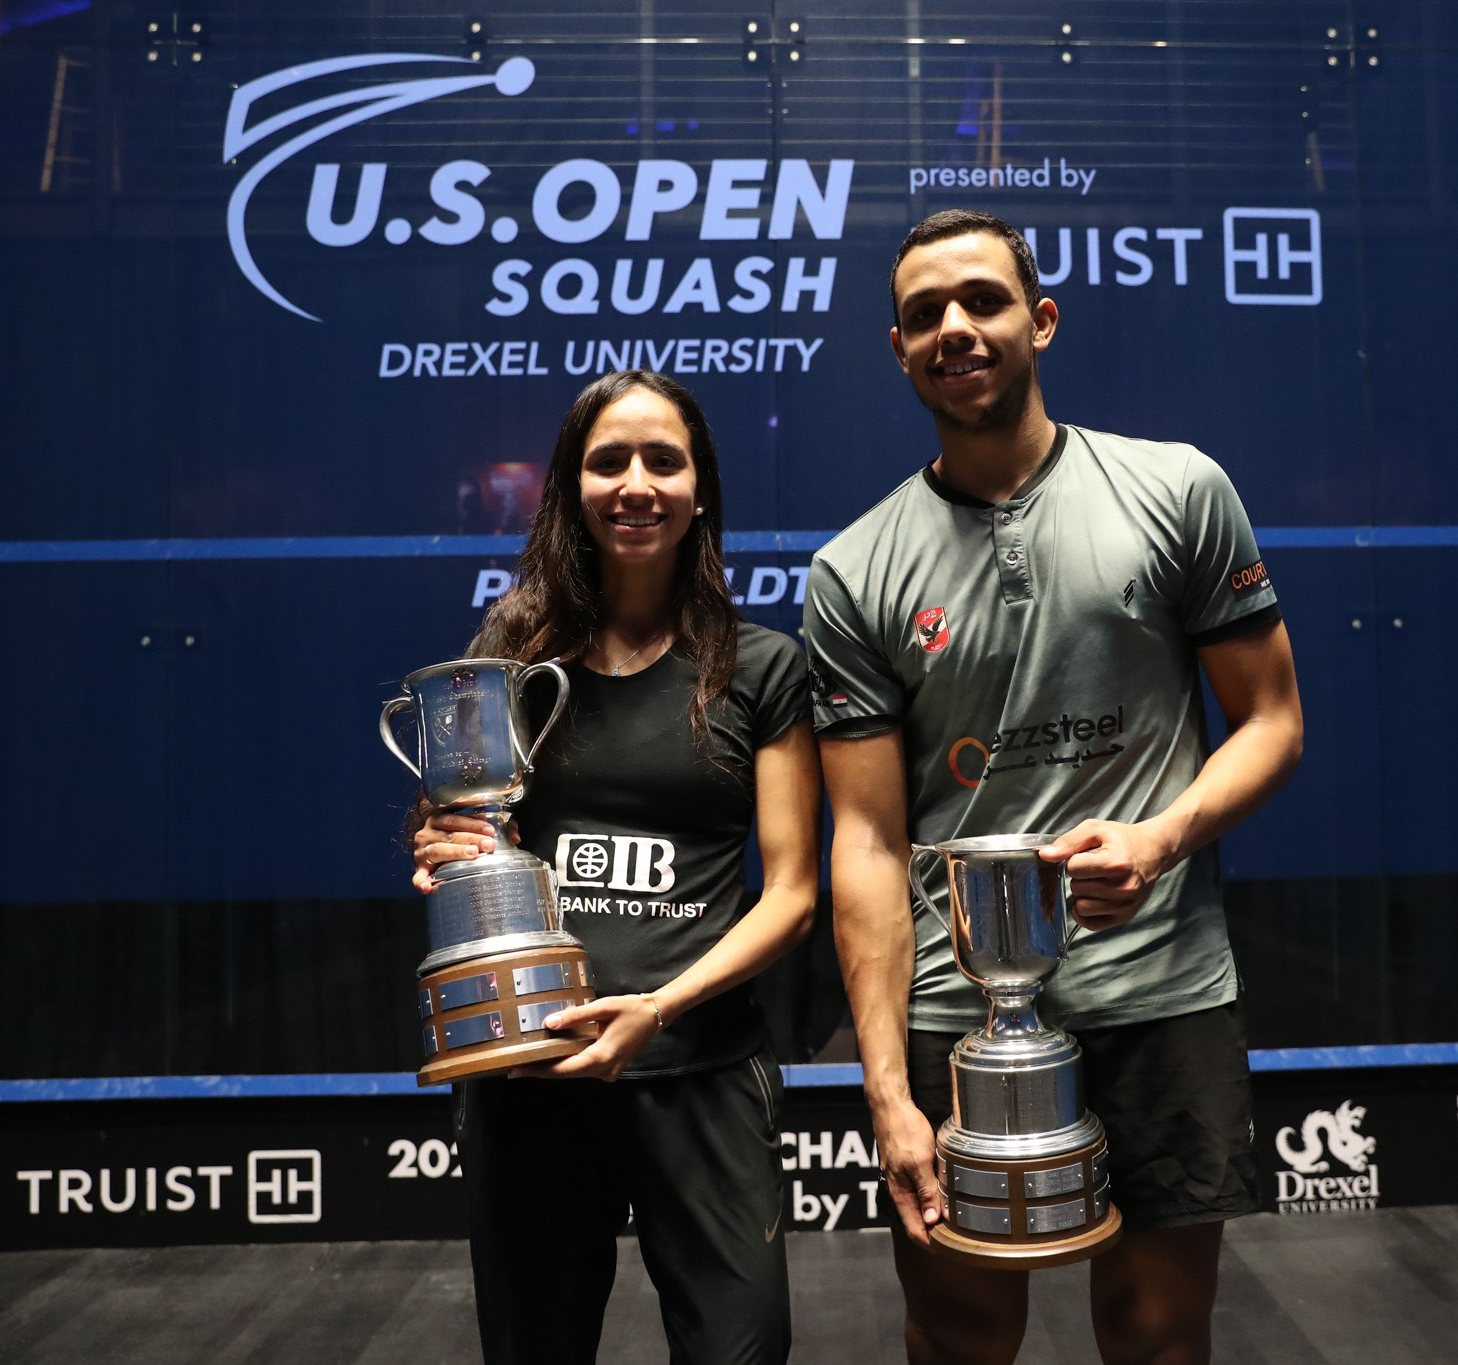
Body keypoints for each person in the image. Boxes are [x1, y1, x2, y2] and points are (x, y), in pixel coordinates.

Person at [802, 210, 1304, 1365]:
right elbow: (868, 844)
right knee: (958, 1334)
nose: (954, 329)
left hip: (1161, 996)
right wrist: (886, 1093)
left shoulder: (1177, 491)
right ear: (896, 347)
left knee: (1160, 1336)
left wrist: (1161, 839)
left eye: (980, 300)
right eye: (923, 313)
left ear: (1041, 319)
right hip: (952, 1018)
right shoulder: (852, 570)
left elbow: (1273, 723)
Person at [410, 370, 820, 1364]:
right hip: (533, 1073)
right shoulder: (511, 653)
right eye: (607, 462)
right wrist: (442, 851)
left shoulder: (759, 666)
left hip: (703, 1069)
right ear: (570, 487)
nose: (635, 484)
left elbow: (795, 893)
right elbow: (461, 824)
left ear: (700, 488)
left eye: (662, 461)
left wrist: (658, 1008)